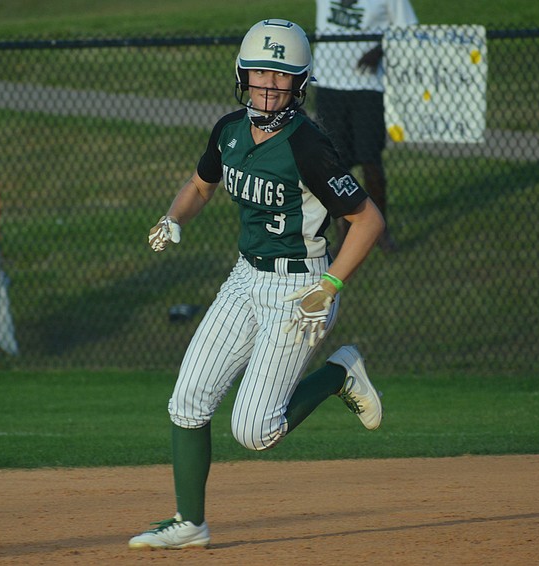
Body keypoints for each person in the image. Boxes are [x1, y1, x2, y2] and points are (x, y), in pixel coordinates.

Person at [129, 19, 385, 550]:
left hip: (302, 287)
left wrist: (333, 283)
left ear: (300, 83)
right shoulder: (229, 131)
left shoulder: (309, 145)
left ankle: (340, 374)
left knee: (256, 431)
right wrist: (174, 217)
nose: (269, 86)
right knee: (187, 401)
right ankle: (189, 523)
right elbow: (200, 187)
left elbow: (369, 221)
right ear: (242, 75)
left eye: (281, 76)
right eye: (261, 73)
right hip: (245, 277)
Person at [313, 0, 418, 252]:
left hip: (368, 87)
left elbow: (408, 28)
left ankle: (380, 230)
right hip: (329, 84)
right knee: (335, 164)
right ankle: (344, 235)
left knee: (370, 159)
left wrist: (380, 50)